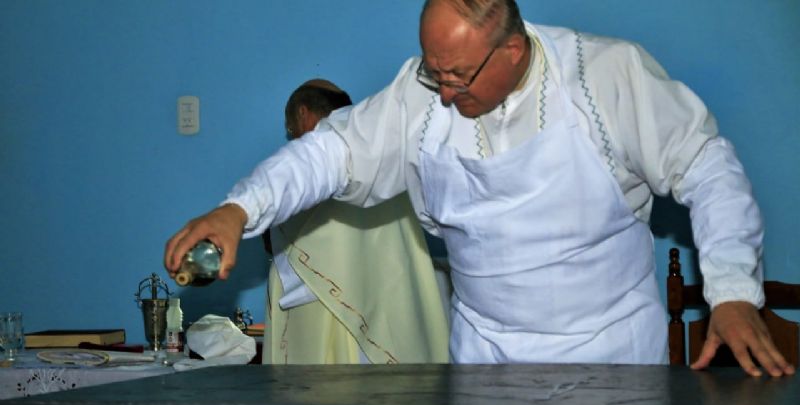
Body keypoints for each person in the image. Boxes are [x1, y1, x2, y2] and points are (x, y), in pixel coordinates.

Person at [165, 0, 794, 377]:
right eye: (433, 70)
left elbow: (708, 166)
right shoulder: (423, 93)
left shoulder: (606, 76)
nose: (441, 91)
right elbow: (331, 150)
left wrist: (733, 292)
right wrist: (239, 207)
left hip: (613, 361)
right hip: (485, 361)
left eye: (458, 75)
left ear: (514, 52)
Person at [261, 79, 449, 364]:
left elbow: (283, 242)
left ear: (302, 113)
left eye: (291, 129)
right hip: (391, 318)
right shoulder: (380, 152)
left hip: (334, 314)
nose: (294, 137)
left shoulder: (317, 162)